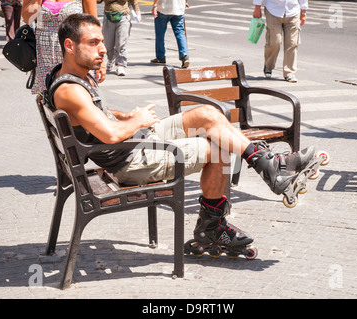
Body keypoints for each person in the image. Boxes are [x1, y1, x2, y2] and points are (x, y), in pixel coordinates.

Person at [47, 13, 317, 254]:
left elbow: (92, 115)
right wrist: (137, 119)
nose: (104, 49)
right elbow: (109, 135)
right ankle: (213, 225)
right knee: (220, 151)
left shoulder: (70, 75)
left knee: (208, 114)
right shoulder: (70, 90)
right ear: (69, 46)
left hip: (136, 142)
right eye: (93, 42)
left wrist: (124, 115)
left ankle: (270, 164)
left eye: (102, 41)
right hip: (130, 161)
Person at [21, 0, 105, 94]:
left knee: (76, 94)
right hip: (44, 58)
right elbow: (27, 19)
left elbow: (94, 26)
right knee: (47, 100)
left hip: (73, 54)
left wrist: (100, 58)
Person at [253, 0, 308, 83]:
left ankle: (289, 73)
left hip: (293, 11)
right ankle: (268, 65)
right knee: (275, 42)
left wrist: (303, 11)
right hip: (273, 10)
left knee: (292, 43)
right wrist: (257, 7)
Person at [102, 0, 141, 76]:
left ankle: (120, 64)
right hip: (108, 17)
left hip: (123, 16)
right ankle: (110, 59)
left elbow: (133, 1)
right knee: (108, 43)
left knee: (121, 42)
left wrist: (138, 12)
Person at [150, 0, 189, 68]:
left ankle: (160, 57)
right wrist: (185, 2)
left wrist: (155, 5)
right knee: (180, 33)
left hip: (163, 9)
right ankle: (184, 56)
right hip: (178, 9)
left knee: (160, 34)